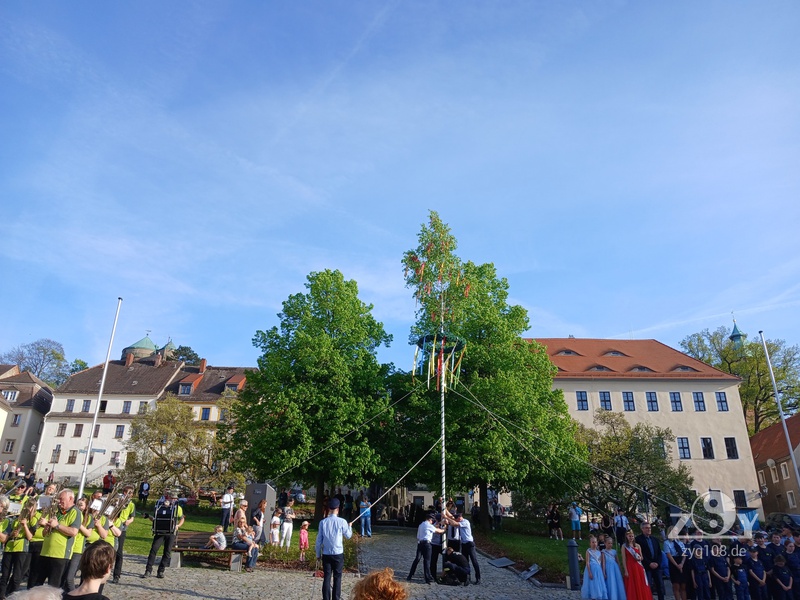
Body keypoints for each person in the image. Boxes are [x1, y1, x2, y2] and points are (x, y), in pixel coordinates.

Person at [33, 488, 81, 588]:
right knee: (35, 584)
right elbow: (44, 534)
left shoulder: (75, 512)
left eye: (61, 499)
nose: (59, 501)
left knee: (53, 587)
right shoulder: (56, 511)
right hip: (45, 552)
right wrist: (46, 525)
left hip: (60, 556)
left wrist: (57, 526)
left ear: (70, 498)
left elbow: (73, 532)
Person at [141, 490, 184, 579]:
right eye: (172, 498)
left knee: (167, 553)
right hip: (160, 532)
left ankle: (161, 571)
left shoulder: (178, 508)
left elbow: (182, 518)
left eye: (175, 499)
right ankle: (148, 570)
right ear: (168, 498)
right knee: (153, 550)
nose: (174, 500)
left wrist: (178, 525)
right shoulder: (160, 506)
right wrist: (148, 516)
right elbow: (155, 519)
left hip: (171, 532)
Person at [316, 498, 352, 600]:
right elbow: (348, 536)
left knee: (327, 577)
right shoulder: (342, 522)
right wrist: (349, 527)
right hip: (338, 553)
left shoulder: (323, 522)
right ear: (338, 509)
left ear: (329, 509)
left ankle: (326, 598)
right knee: (337, 577)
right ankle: (336, 598)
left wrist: (318, 554)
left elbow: (319, 540)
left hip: (326, 553)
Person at [443, 511, 481, 584]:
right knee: (465, 562)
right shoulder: (459, 522)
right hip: (463, 544)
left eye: (456, 518)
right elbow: (452, 519)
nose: (455, 520)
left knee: (474, 561)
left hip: (469, 544)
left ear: (460, 518)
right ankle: (467, 577)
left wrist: (446, 517)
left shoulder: (465, 522)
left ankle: (478, 578)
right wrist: (446, 511)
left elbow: (454, 523)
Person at [407, 513, 445, 584]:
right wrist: (444, 529)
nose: (432, 522)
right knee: (427, 561)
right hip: (427, 544)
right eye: (432, 520)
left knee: (417, 559)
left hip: (420, 543)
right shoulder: (429, 525)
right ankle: (427, 578)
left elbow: (419, 535)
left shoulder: (421, 525)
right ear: (430, 520)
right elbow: (438, 531)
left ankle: (410, 575)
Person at [637, 522, 665, 600]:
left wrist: (657, 563)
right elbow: (640, 553)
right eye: (646, 528)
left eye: (649, 528)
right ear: (642, 529)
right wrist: (649, 563)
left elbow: (659, 553)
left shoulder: (654, 539)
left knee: (660, 585)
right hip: (646, 566)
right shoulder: (638, 540)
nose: (649, 529)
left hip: (656, 566)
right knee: (648, 585)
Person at [623, 529, 650, 600]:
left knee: (640, 583)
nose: (631, 537)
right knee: (632, 584)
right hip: (630, 567)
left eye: (632, 536)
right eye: (629, 536)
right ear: (626, 536)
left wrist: (639, 558)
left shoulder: (638, 545)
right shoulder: (624, 546)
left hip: (638, 566)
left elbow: (642, 557)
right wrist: (625, 570)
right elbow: (624, 559)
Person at [582, 535, 608, 600]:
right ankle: (592, 596)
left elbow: (601, 563)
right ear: (590, 543)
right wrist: (589, 572)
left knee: (597, 583)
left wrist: (603, 572)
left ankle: (597, 596)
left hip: (598, 570)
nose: (594, 544)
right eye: (593, 542)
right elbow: (587, 562)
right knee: (591, 583)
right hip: (591, 569)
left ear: (597, 543)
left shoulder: (599, 552)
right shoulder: (588, 551)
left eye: (595, 542)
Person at [666, 532, 689, 600]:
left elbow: (684, 554)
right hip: (673, 563)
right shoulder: (667, 543)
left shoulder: (680, 543)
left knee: (683, 586)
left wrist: (682, 564)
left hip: (681, 562)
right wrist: (676, 565)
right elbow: (669, 555)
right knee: (676, 586)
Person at [602, 534, 626, 600]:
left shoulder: (614, 551)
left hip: (615, 568)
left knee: (617, 581)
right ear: (605, 543)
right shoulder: (603, 552)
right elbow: (603, 563)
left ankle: (618, 596)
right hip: (608, 568)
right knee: (610, 582)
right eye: (608, 543)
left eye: (611, 543)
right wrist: (604, 572)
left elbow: (617, 561)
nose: (610, 545)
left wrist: (620, 569)